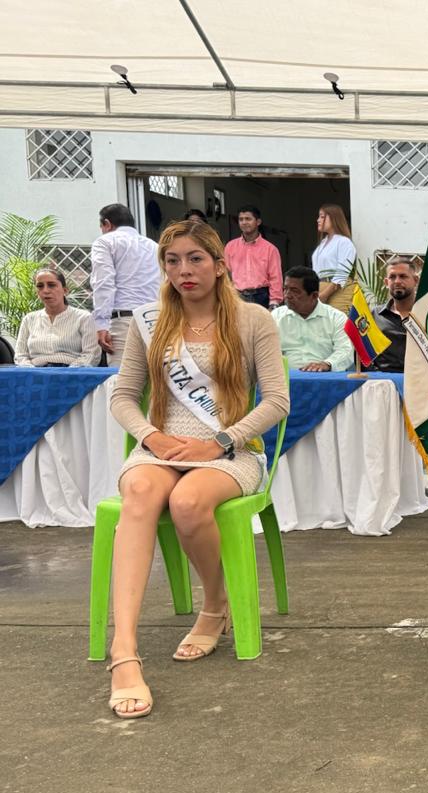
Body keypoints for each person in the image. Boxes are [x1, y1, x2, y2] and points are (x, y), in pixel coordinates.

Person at [104, 219, 289, 719]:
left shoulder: (253, 320)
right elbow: (122, 397)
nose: (183, 270)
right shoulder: (149, 322)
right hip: (160, 449)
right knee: (140, 492)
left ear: (219, 265)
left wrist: (219, 442)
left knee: (187, 503)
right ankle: (124, 650)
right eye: (172, 261)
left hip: (229, 452)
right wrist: (152, 437)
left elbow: (277, 401)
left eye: (195, 259)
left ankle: (215, 604)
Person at [90, 203, 161, 362]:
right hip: (156, 321)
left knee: (122, 375)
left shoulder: (105, 242)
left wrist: (102, 324)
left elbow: (103, 283)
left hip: (124, 322)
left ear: (107, 224)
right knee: (156, 375)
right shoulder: (154, 246)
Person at [272, 267, 355, 372]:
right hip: (285, 377)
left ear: (314, 295)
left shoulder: (336, 317)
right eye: (285, 289)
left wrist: (328, 364)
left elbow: (346, 350)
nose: (287, 295)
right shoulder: (276, 316)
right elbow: (266, 351)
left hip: (324, 376)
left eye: (295, 291)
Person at [13, 266, 97, 366]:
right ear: (37, 292)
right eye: (40, 286)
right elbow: (20, 355)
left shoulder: (83, 317)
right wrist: (30, 370)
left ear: (65, 290)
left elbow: (91, 354)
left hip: (71, 371)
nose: (45, 290)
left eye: (51, 285)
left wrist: (72, 371)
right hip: (35, 371)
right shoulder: (29, 319)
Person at [223, 205, 283, 309]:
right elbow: (226, 275)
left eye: (248, 219)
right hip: (237, 296)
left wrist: (274, 302)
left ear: (258, 222)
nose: (244, 222)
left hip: (262, 297)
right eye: (241, 219)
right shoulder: (230, 247)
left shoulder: (270, 249)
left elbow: (275, 278)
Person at [367, 256, 417, 373]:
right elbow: (365, 355)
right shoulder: (375, 316)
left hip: (420, 379)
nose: (397, 281)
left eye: (403, 276)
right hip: (382, 380)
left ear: (416, 280)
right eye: (392, 277)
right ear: (386, 282)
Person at [311, 203, 357, 312]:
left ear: (334, 218)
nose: (318, 220)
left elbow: (342, 272)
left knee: (338, 320)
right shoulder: (323, 242)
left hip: (338, 290)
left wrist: (325, 294)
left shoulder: (344, 242)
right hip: (320, 288)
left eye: (322, 217)